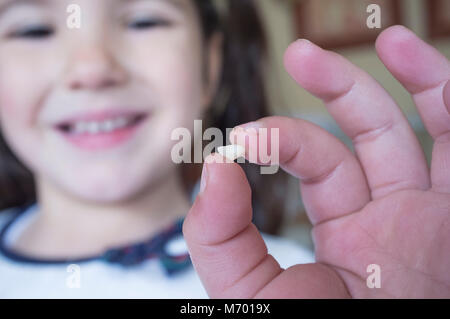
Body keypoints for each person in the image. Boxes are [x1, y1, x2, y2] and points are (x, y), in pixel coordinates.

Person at [0, 0, 313, 298]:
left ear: (211, 64)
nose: (92, 69)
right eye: (33, 30)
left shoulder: (292, 279)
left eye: (143, 21)